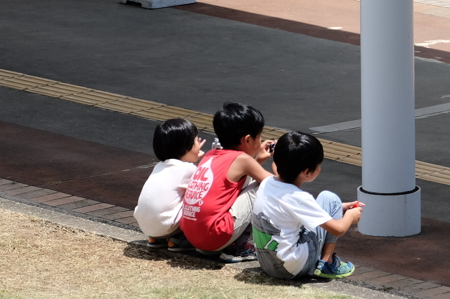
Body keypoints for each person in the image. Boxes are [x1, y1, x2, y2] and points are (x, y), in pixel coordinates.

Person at [251, 131, 362, 280]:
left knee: (331, 204)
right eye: (318, 164)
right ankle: (327, 263)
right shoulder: (299, 198)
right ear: (307, 173)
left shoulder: (267, 183)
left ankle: (324, 260)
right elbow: (338, 229)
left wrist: (337, 209)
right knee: (329, 198)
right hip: (293, 268)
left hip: (268, 264)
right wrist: (350, 216)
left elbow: (277, 171)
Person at [180, 102, 275, 263]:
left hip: (194, 237)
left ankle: (231, 244)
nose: (260, 141)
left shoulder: (211, 154)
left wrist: (258, 160)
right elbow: (275, 184)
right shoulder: (243, 160)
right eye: (259, 137)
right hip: (215, 237)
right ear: (247, 139)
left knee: (251, 182)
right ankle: (236, 248)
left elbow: (238, 178)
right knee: (263, 186)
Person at [133, 118, 204, 250]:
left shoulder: (160, 166)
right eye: (196, 140)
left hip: (146, 225)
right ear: (186, 146)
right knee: (200, 197)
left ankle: (155, 238)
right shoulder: (188, 169)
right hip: (167, 226)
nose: (199, 145)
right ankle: (180, 239)